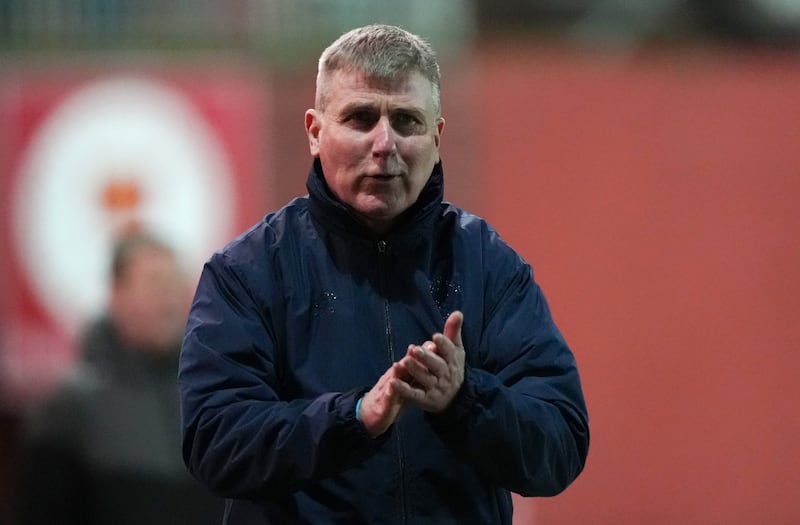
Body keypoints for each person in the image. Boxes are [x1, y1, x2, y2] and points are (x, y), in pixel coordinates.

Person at [179, 24, 589, 524]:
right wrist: (352, 419)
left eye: (407, 121)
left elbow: (561, 444)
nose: (385, 143)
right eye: (360, 117)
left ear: (437, 138)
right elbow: (215, 443)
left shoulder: (487, 265)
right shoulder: (247, 274)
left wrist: (465, 401)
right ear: (314, 131)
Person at [16, 232, 224, 525]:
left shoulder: (210, 394)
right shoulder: (73, 404)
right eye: (154, 283)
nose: (169, 298)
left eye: (176, 284)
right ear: (116, 294)